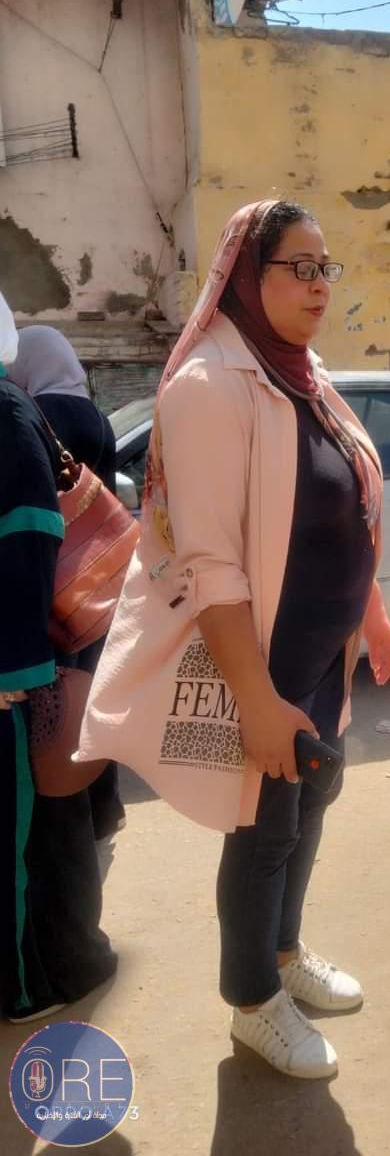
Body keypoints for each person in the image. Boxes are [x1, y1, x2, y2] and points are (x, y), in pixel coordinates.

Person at [77, 200, 390, 1078]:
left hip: (321, 658)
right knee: (262, 832)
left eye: (327, 267)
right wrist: (255, 698)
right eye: (301, 267)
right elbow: (210, 562)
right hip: (263, 662)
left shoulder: (304, 373)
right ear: (248, 275)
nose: (320, 285)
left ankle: (285, 954)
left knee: (308, 807)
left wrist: (368, 606)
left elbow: (348, 503)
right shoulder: (211, 383)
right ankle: (253, 999)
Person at [0, 294, 117, 1023]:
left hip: (25, 668)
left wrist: (16, 673)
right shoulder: (36, 410)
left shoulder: (14, 415)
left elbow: (29, 538)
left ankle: (38, 981)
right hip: (47, 647)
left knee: (39, 830)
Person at [8, 325, 126, 842]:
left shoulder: (39, 412)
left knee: (59, 714)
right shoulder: (97, 417)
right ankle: (106, 807)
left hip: (57, 581)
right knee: (94, 699)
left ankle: (69, 817)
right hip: (95, 580)